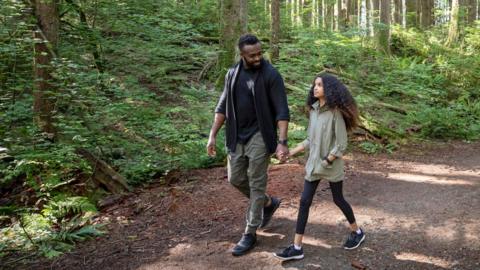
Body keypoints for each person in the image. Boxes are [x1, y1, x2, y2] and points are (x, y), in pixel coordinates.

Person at [207, 34, 290, 256]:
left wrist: (282, 142)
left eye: (259, 53)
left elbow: (282, 111)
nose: (257, 58)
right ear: (242, 54)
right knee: (235, 178)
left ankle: (249, 233)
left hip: (261, 135)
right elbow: (222, 106)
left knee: (256, 182)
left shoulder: (271, 75)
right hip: (236, 135)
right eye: (252, 55)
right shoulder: (232, 74)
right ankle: (267, 203)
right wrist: (212, 135)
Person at [273, 74, 365, 261]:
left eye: (320, 85)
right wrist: (291, 152)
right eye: (314, 84)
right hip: (313, 165)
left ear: (329, 89)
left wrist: (327, 161)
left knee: (338, 199)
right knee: (304, 202)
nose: (315, 88)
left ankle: (357, 231)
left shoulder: (335, 113)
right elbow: (309, 139)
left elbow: (341, 143)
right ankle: (297, 247)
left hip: (330, 166)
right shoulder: (314, 111)